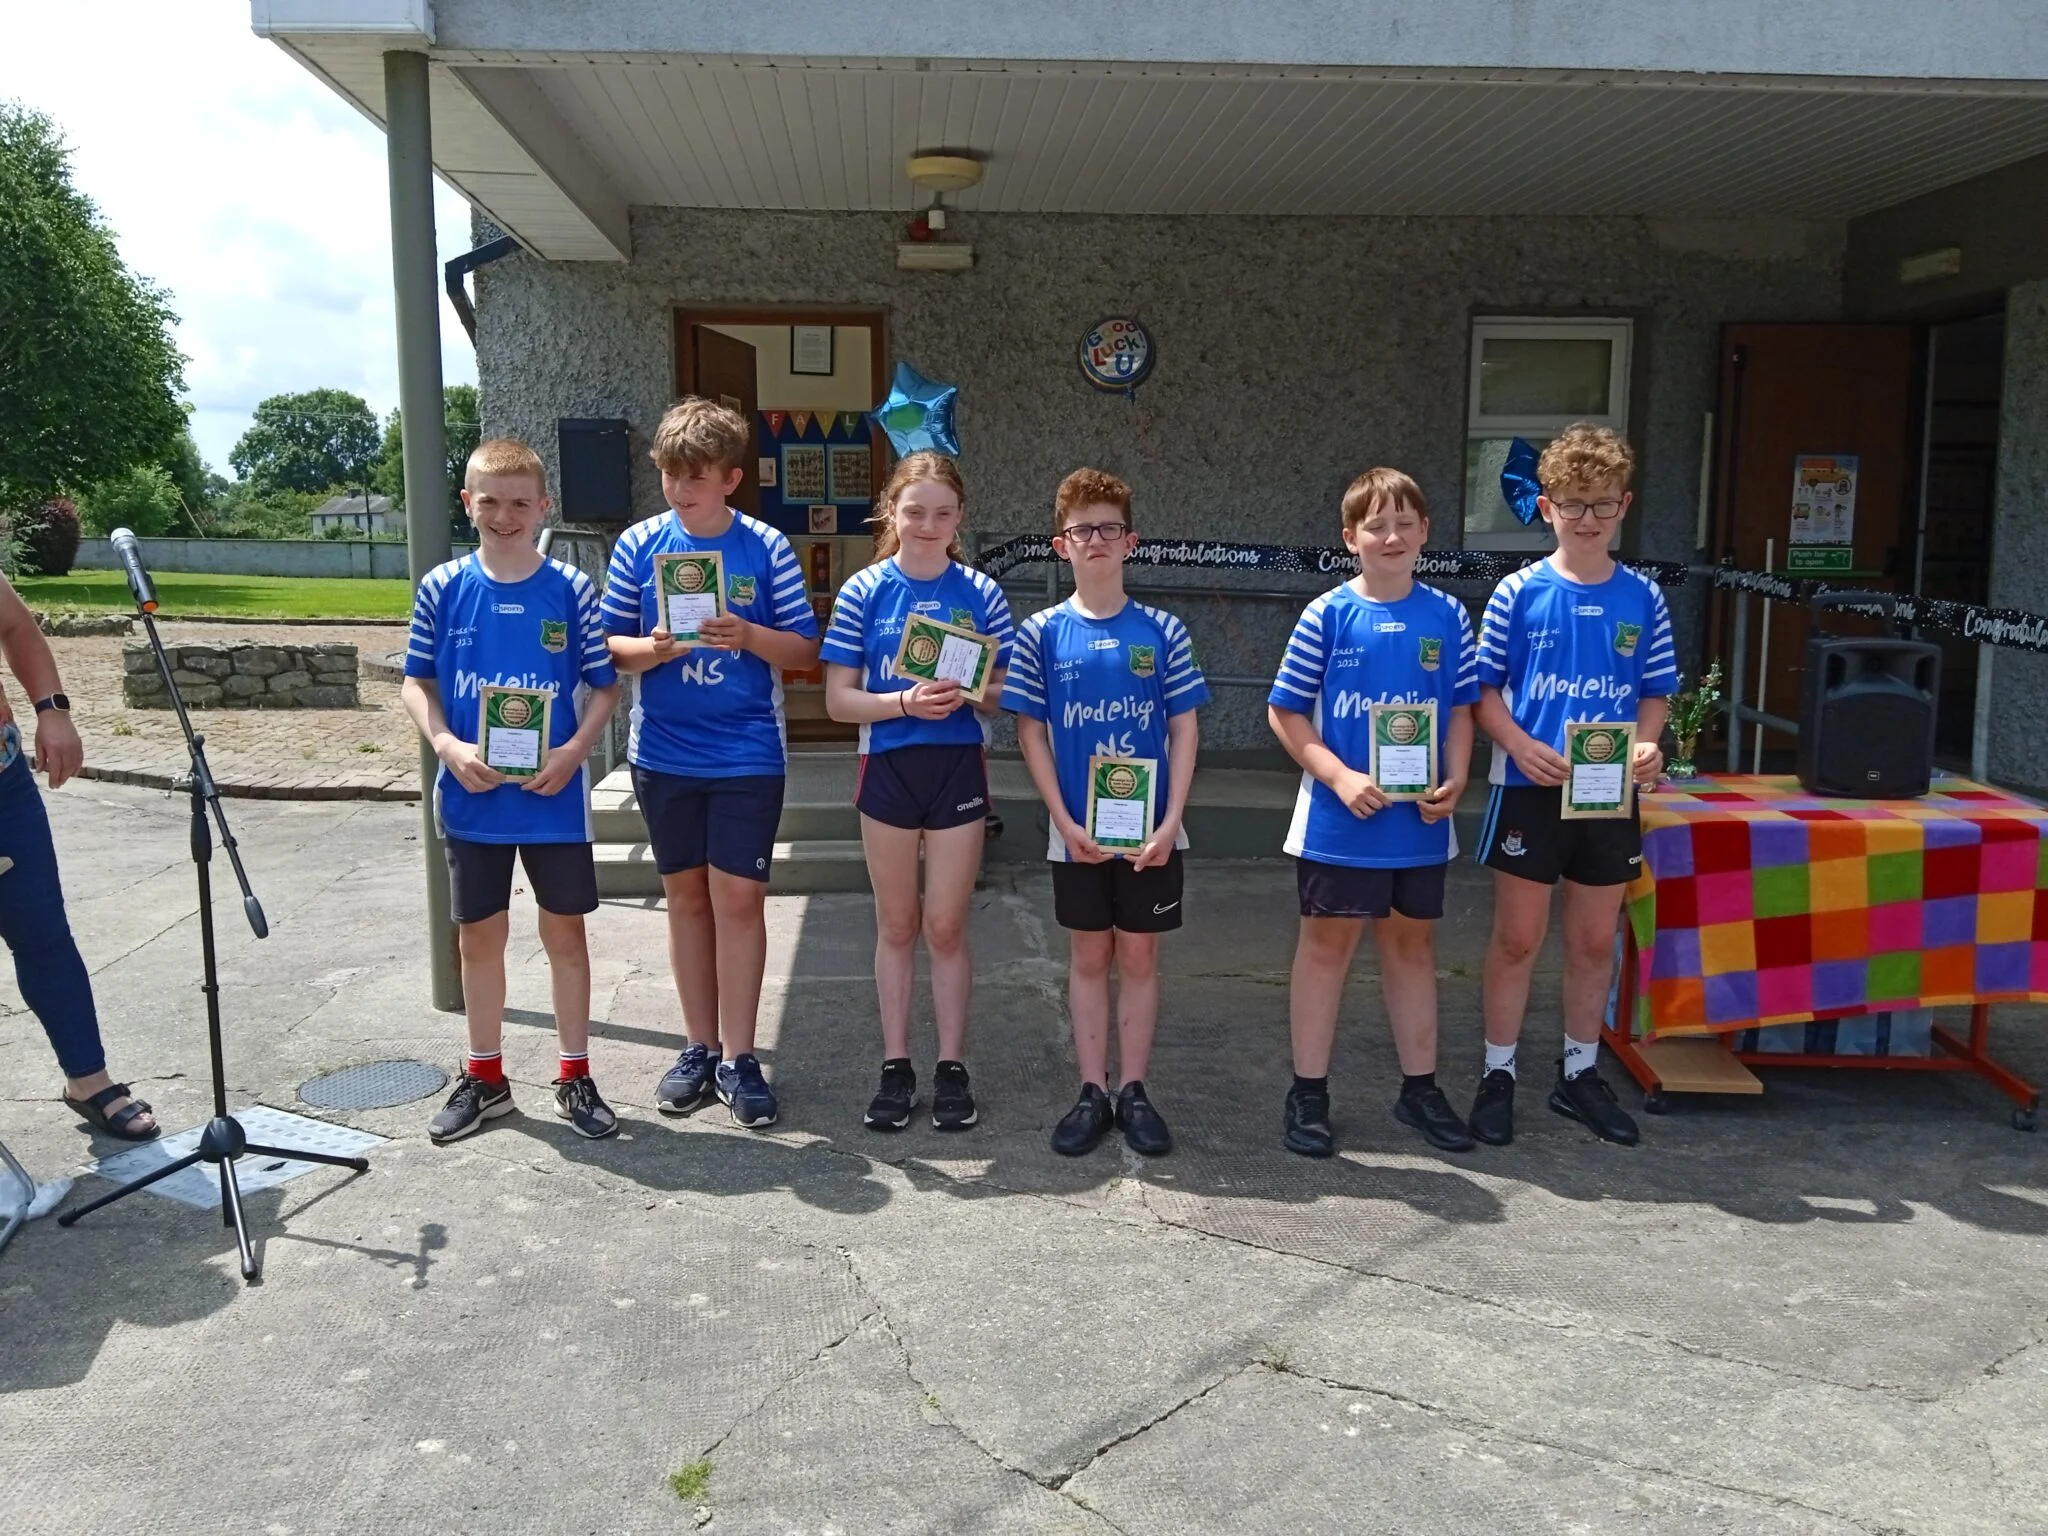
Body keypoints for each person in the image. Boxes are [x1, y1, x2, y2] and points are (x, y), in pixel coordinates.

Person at [602, 398, 822, 1130]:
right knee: (686, 900)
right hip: (662, 753)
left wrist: (749, 635)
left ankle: (740, 1056)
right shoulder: (639, 544)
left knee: (740, 902)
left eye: (695, 476)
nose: (679, 488)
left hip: (747, 752)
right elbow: (610, 647)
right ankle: (697, 1048)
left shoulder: (766, 546)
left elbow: (805, 649)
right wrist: (656, 648)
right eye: (669, 474)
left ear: (731, 478)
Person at [402, 438, 624, 1142]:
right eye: (490, 501)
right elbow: (416, 683)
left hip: (553, 799)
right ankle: (486, 1077)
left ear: (543, 506)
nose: (505, 515)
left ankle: (574, 1074)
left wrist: (574, 751)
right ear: (467, 503)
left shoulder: (571, 588)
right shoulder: (442, 587)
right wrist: (447, 745)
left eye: (520, 502)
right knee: (479, 939)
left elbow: (604, 687)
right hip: (474, 796)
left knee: (565, 935)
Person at [1471, 423, 1673, 1147]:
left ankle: (1579, 1075)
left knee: (1593, 941)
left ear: (1624, 506)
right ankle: (1498, 1073)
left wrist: (1646, 743)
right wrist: (1520, 745)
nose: (1588, 518)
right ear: (1547, 507)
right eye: (1573, 503)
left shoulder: (1644, 596)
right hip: (1529, 786)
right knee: (1518, 938)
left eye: (1602, 503)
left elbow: (1655, 691)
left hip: (1607, 791)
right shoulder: (1517, 592)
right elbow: (1481, 692)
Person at [1267, 469, 1478, 1158]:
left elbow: (1462, 707)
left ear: (1425, 532)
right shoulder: (1327, 614)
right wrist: (1339, 775)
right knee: (1326, 951)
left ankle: (1420, 1089)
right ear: (1349, 538)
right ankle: (1308, 1092)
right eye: (1376, 526)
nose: (1392, 537)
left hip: (1418, 823)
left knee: (1412, 949)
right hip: (1339, 822)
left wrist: (1457, 777)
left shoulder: (1448, 616)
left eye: (1404, 523)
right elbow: (1285, 711)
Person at [1003, 469, 1207, 1156]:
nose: (1096, 540)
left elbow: (1184, 727)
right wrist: (1063, 821)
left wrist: (1170, 821)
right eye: (1082, 529)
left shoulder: (1164, 630)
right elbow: (1030, 731)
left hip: (1152, 833)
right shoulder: (1040, 633)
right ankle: (1092, 1089)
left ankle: (1135, 1091)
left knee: (1140, 957)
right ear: (1061, 544)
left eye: (1109, 528)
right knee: (1089, 956)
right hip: (1078, 833)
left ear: (1130, 541)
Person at [821, 451, 1013, 1132]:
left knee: (947, 926)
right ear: (891, 513)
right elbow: (838, 701)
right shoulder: (863, 590)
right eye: (914, 512)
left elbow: (1003, 692)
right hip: (888, 766)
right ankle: (896, 1065)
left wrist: (969, 690)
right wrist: (904, 702)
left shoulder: (981, 592)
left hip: (956, 765)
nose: (928, 525)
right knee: (897, 924)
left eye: (942, 513)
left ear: (959, 518)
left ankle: (952, 1066)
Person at [0, 574, 157, 1141]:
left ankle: (88, 1081)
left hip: (3, 783)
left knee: (43, 935)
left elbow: (15, 626)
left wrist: (52, 709)